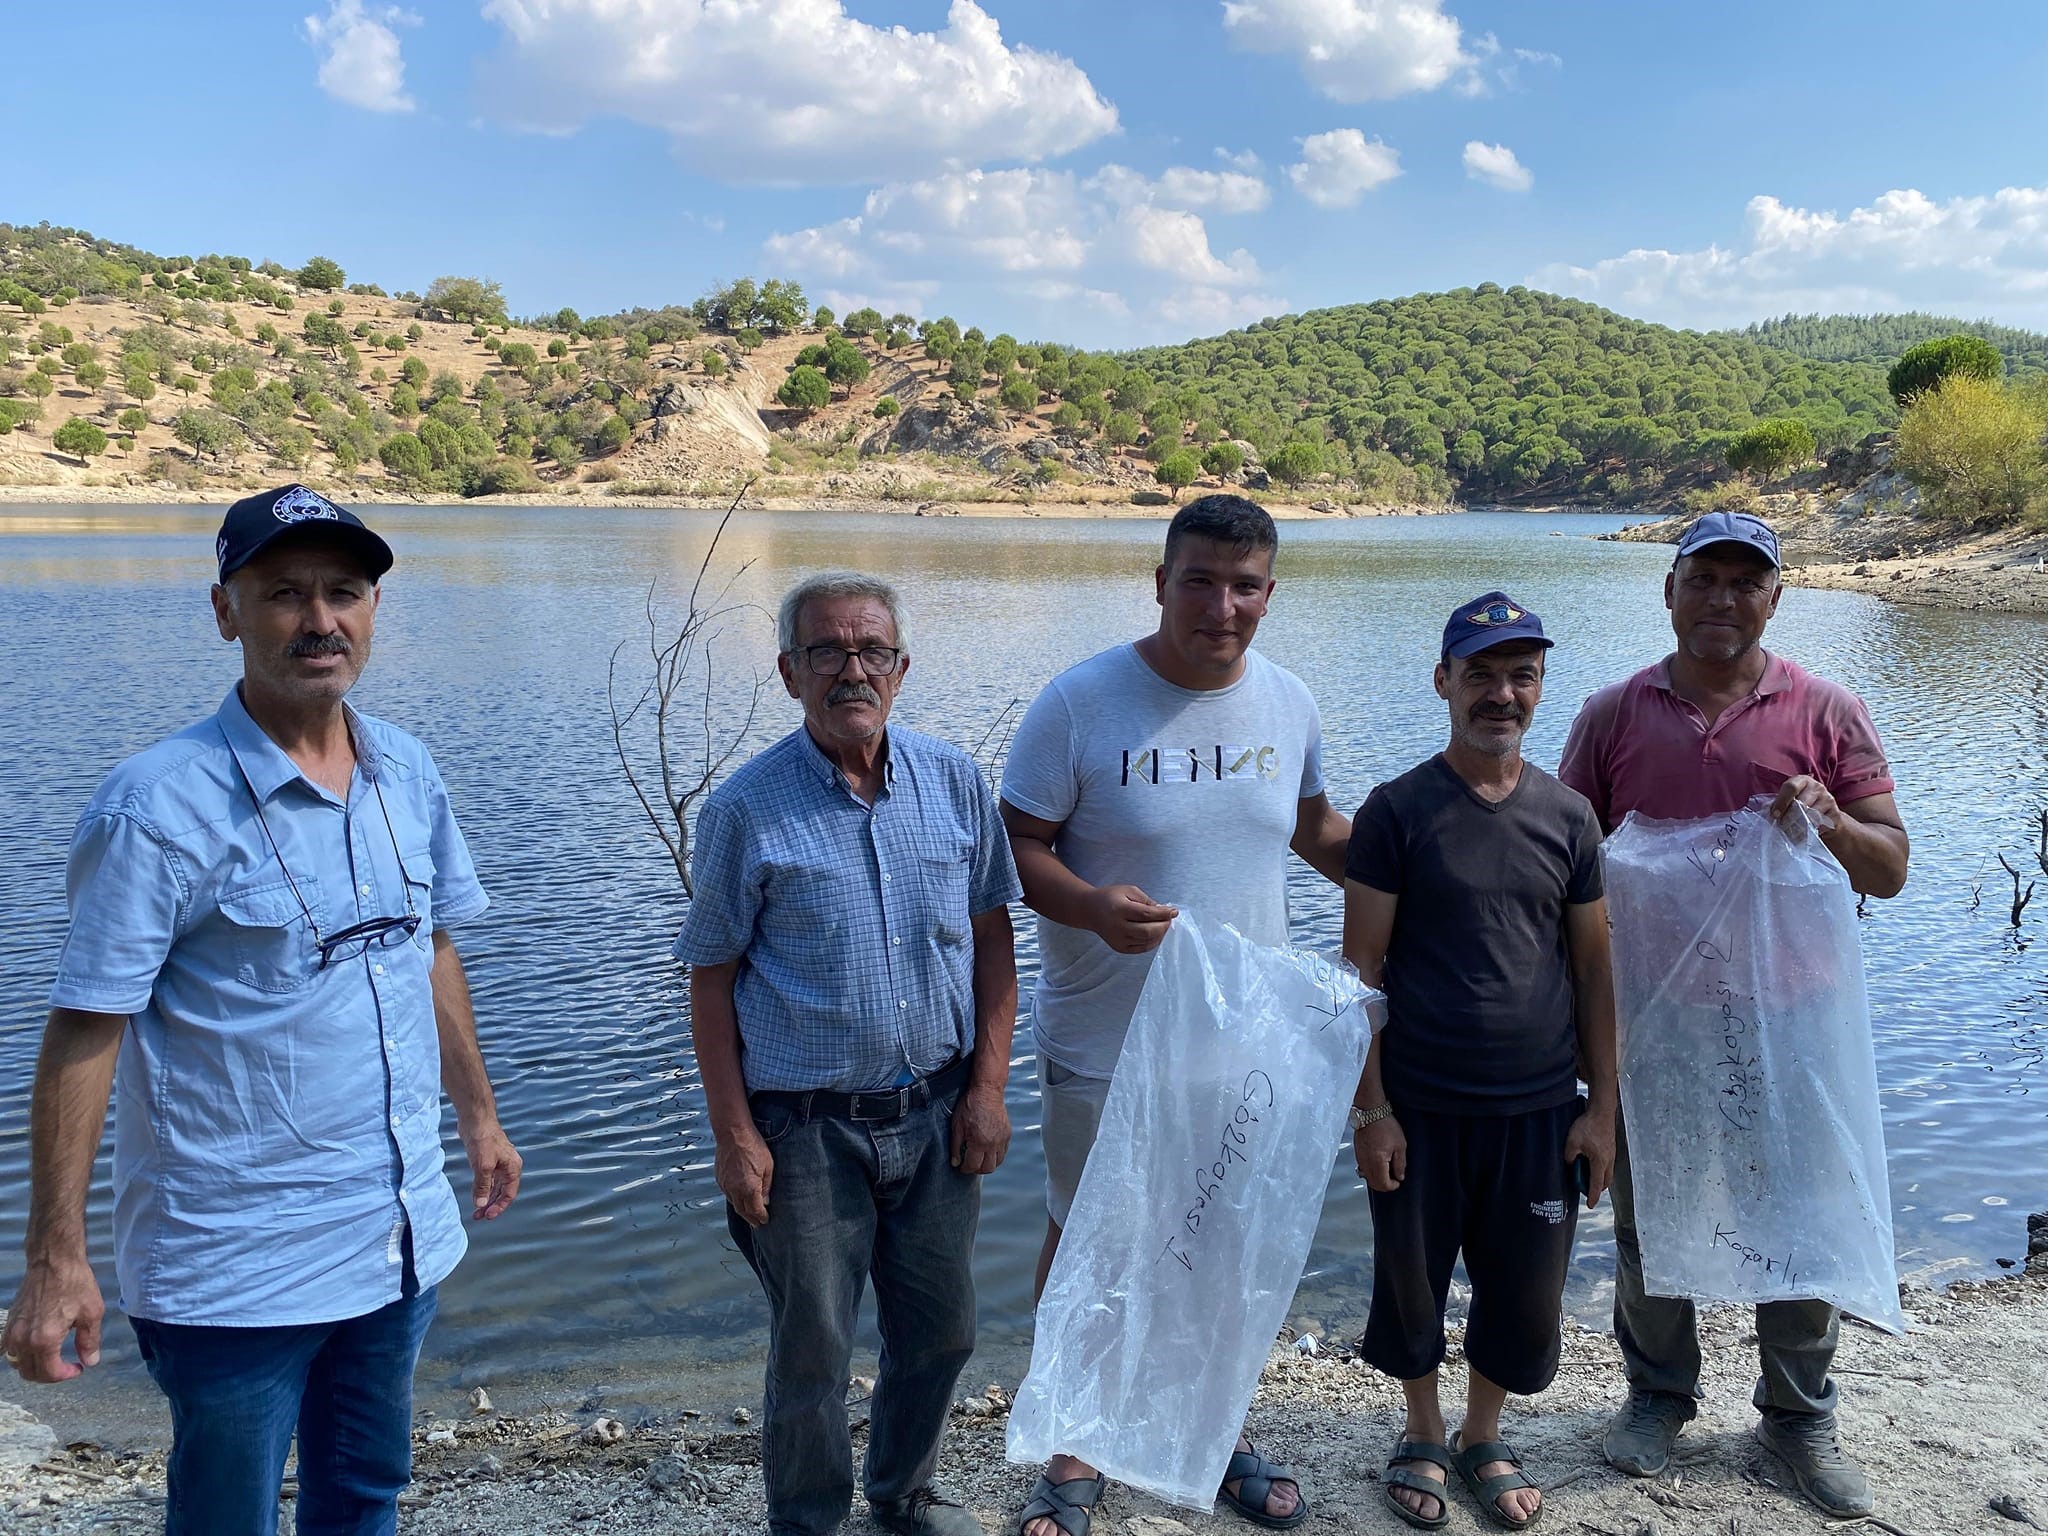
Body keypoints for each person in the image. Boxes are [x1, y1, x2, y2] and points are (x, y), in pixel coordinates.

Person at [2, 484, 522, 1536]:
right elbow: (86, 1027)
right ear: (225, 609)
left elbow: (431, 948)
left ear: (373, 610)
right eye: (283, 593)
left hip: (395, 1234)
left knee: (365, 1493)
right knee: (226, 1517)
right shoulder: (156, 805)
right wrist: (56, 1255)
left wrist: (478, 1116)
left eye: (343, 591)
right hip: (232, 1265)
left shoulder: (406, 773)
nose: (319, 620)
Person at [999, 495, 1353, 1536]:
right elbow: (1016, 846)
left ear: (1269, 594)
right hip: (1104, 1037)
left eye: (1244, 585)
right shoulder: (1079, 702)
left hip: (1245, 1042)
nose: (1221, 604)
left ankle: (1211, 1426)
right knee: (1083, 1238)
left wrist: (1438, 869)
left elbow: (1315, 830)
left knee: (1223, 1240)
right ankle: (1074, 1444)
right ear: (1159, 583)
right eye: (1198, 580)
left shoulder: (1287, 703)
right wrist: (1086, 906)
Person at [1559, 511, 1909, 1519]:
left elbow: (1888, 872)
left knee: (1795, 1213)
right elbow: (1566, 861)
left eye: (1742, 582)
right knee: (1647, 1215)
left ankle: (1796, 1415)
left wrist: (1830, 820)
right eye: (1701, 579)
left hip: (1790, 1017)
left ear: (1774, 596)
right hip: (1652, 1013)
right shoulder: (1611, 714)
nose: (1721, 599)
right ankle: (1656, 1397)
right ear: (1666, 592)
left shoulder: (1826, 711)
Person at [676, 571, 1022, 1536]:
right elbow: (710, 980)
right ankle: (810, 1521)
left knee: (942, 1331)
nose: (851, 670)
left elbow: (994, 939)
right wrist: (735, 1137)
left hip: (938, 1111)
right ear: (789, 672)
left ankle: (902, 1493)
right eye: (826, 651)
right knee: (813, 1352)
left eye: (871, 651)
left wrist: (988, 1089)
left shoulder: (955, 782)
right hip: (805, 1131)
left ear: (902, 668)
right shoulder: (745, 810)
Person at [1342, 593, 1617, 1531]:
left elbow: (1591, 966)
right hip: (1420, 1101)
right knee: (1411, 1279)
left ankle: (1481, 1433)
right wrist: (1371, 1110)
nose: (1502, 694)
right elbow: (1360, 971)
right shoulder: (1396, 812)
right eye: (1483, 674)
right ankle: (1422, 1428)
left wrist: (1601, 1109)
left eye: (1521, 676)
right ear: (1444, 681)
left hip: (1541, 1108)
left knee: (1526, 1290)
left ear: (1541, 688)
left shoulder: (1571, 818)